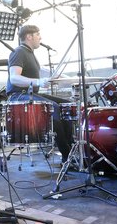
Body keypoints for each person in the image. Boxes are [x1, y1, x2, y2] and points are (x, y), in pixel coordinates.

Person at [6, 25, 73, 162]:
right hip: (18, 95)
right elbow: (14, 78)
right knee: (53, 106)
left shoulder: (30, 54)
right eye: (38, 34)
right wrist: (38, 82)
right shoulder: (19, 52)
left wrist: (68, 79)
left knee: (67, 105)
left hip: (28, 93)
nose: (40, 38)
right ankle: (66, 154)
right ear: (29, 36)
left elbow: (41, 72)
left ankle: (71, 147)